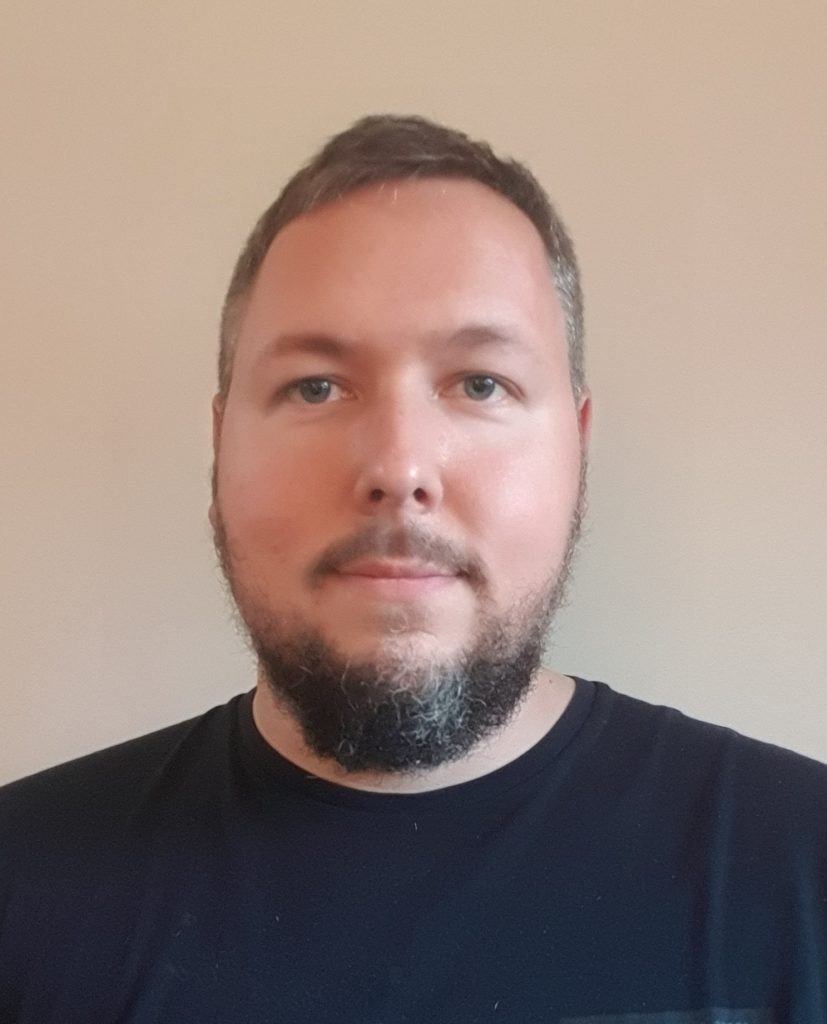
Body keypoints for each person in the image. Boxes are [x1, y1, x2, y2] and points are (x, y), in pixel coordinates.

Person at [0, 114, 824, 1024]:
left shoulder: (802, 868)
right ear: (220, 444)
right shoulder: (21, 886)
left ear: (577, 448)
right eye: (314, 386)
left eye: (480, 384)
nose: (397, 467)